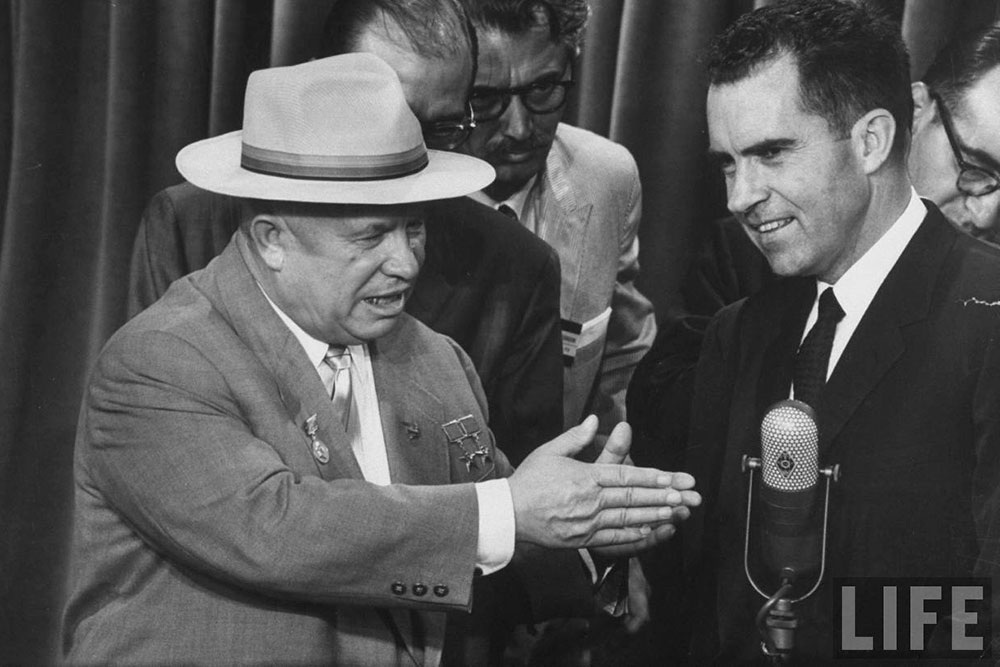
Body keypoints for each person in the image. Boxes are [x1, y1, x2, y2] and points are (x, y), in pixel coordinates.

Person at [61, 54, 700, 665]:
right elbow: (275, 529)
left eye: (413, 227)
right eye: (371, 236)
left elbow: (480, 541)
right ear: (272, 240)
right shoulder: (158, 361)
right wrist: (511, 509)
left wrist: (592, 528)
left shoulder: (437, 362)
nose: (406, 262)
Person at [657, 0, 1000, 661]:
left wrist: (832, 632)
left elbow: (988, 619)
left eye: (771, 153)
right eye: (728, 163)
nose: (739, 196)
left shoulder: (989, 318)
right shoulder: (738, 333)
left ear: (871, 141)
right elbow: (712, 599)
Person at [128, 0, 564, 464]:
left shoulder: (516, 268)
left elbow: (520, 487)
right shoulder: (188, 224)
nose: (406, 151)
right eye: (382, 116)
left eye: (439, 129)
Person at [628, 21, 1000, 462]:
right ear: (913, 114)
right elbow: (669, 421)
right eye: (971, 166)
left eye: (772, 153)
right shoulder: (743, 291)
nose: (740, 198)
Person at [458, 0, 657, 437]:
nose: (519, 128)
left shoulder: (608, 179)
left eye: (543, 89)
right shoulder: (402, 199)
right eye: (484, 98)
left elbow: (623, 362)